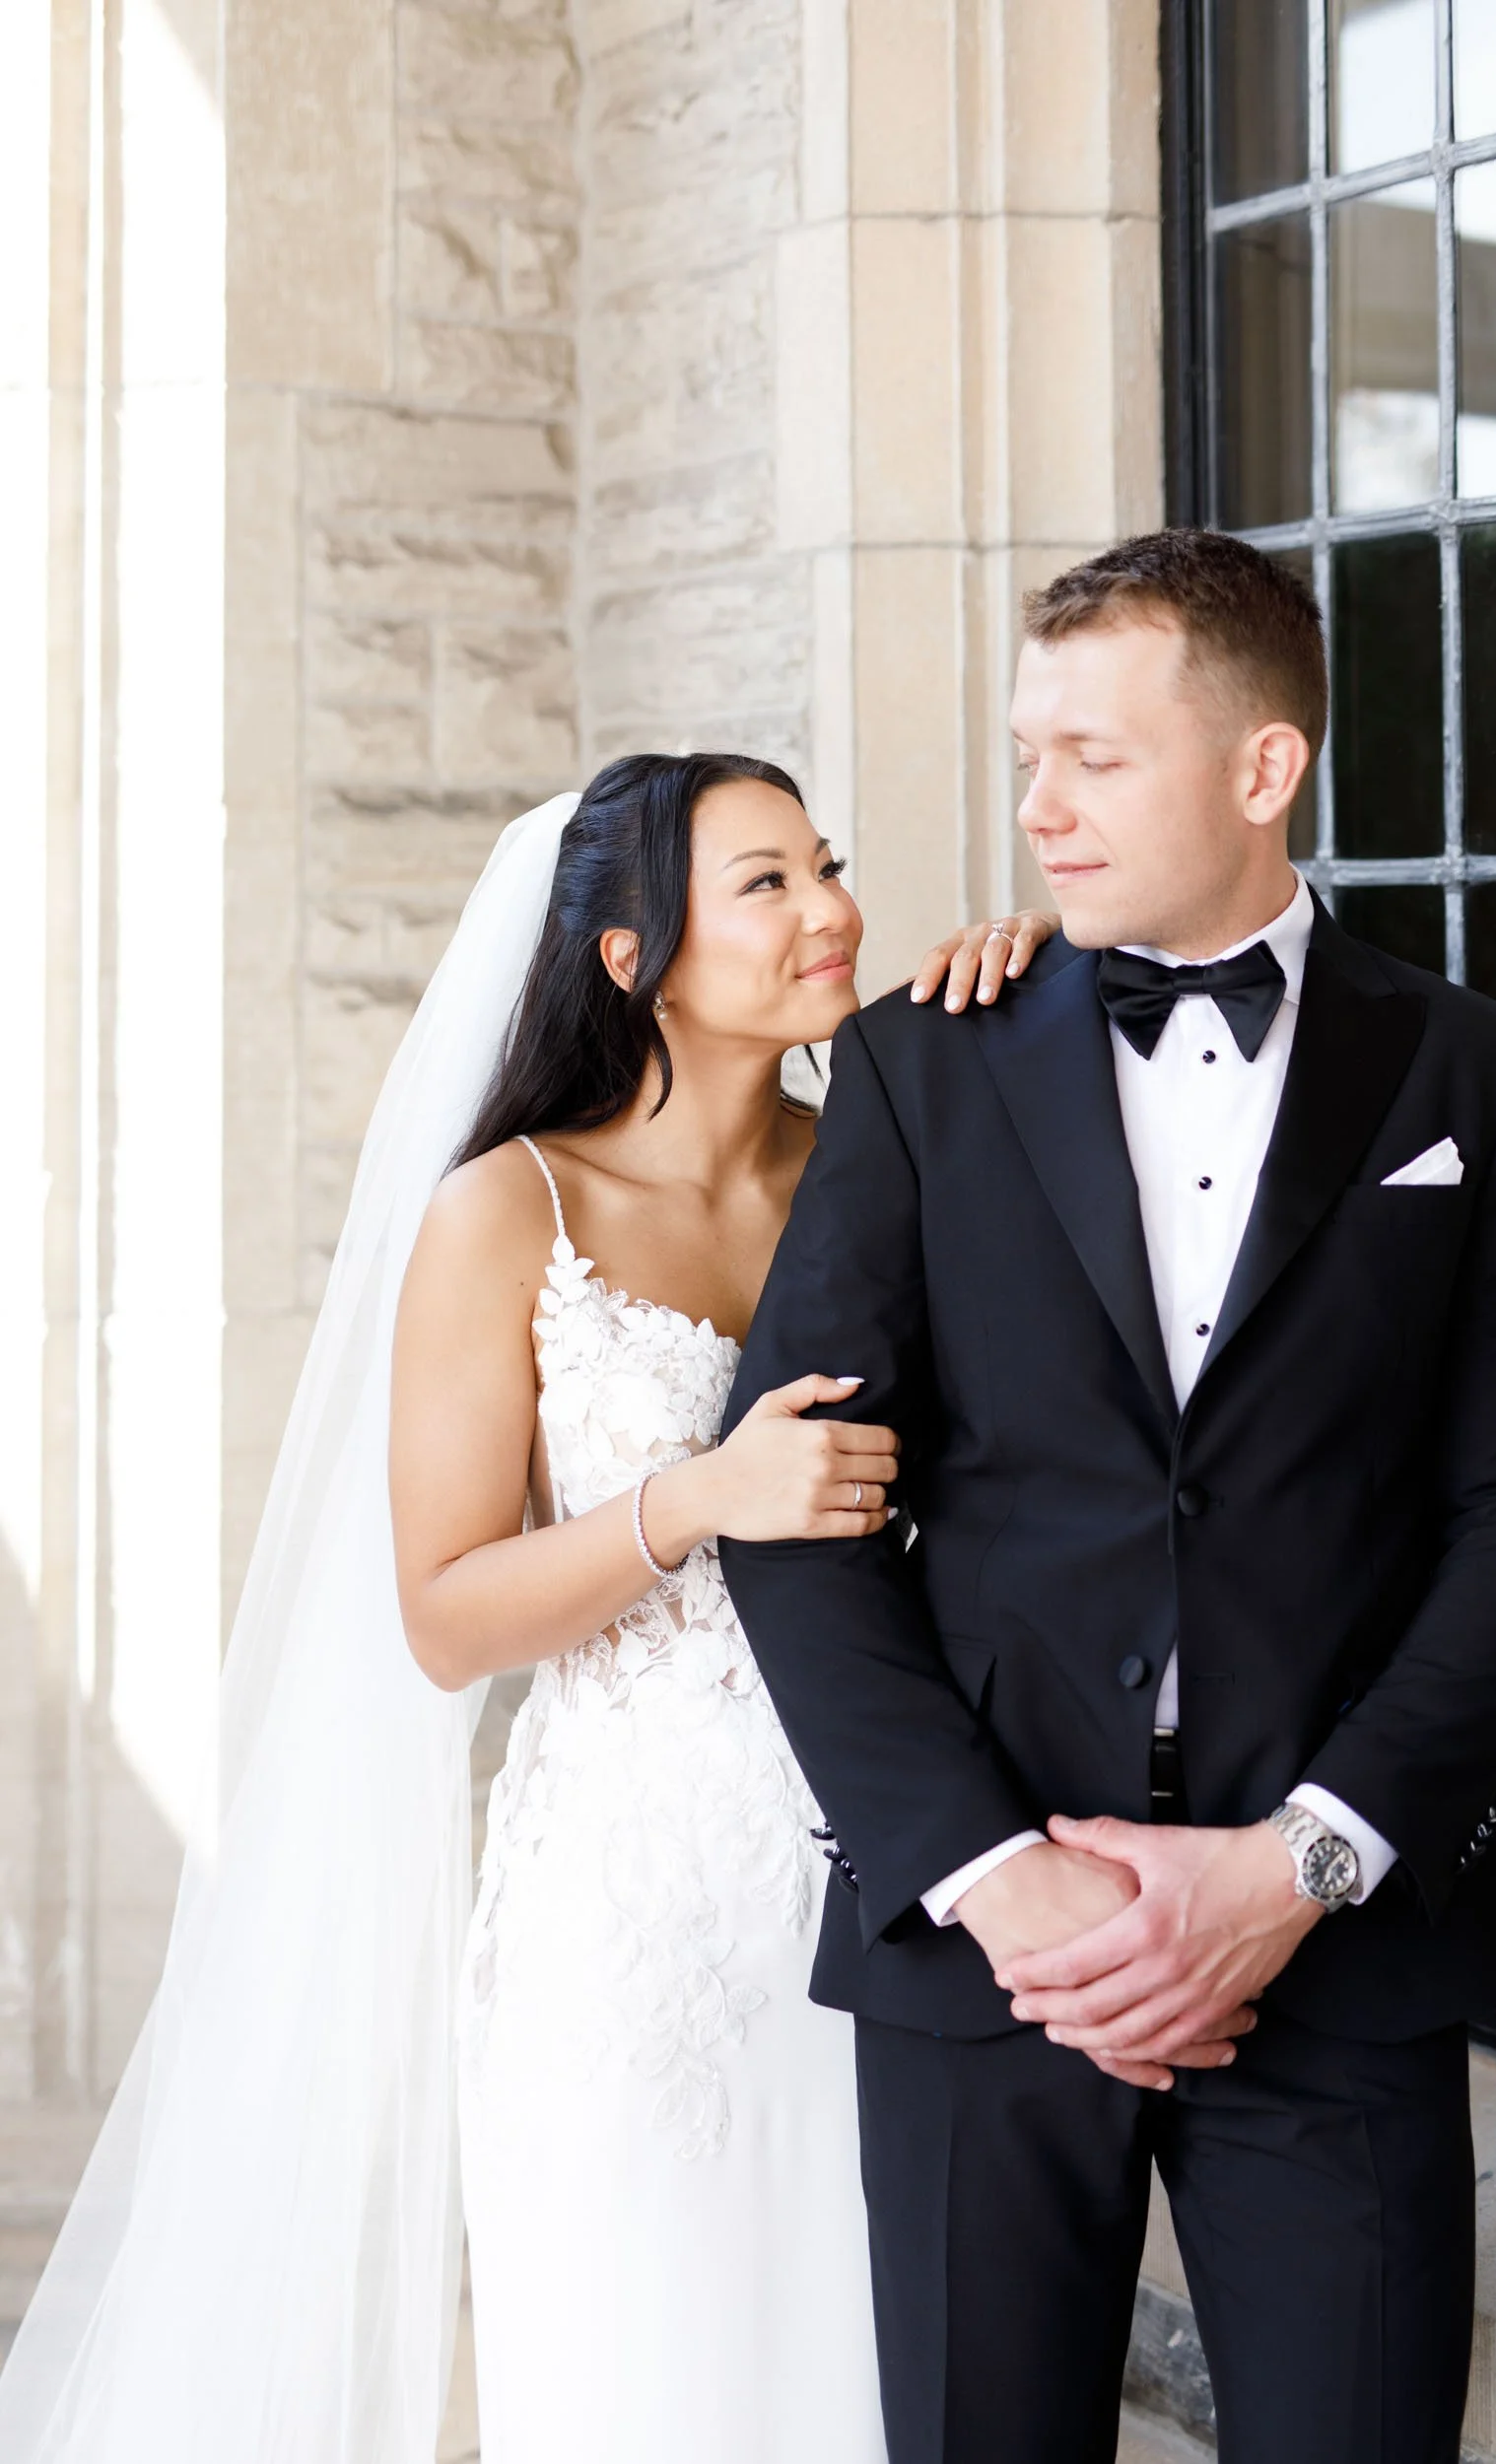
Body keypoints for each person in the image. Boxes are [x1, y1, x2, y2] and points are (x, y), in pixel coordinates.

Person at [0, 750, 1050, 2464]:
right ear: (632, 955)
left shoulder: (890, 1147)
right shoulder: (511, 1210)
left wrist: (1033, 995)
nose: (832, 909)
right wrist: (692, 1499)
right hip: (632, 1927)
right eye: (765, 883)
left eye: (827, 865)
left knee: (887, 2391)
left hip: (899, 1875)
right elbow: (443, 1612)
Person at [719, 529, 1496, 2464]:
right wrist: (1002, 1880)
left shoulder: (1464, 1069)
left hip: (1338, 1953)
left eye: (1090, 757)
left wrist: (1301, 1855)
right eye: (1028, 751)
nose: (1032, 805)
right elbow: (788, 1507)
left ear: (1258, 767)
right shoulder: (910, 1070)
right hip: (981, 1955)